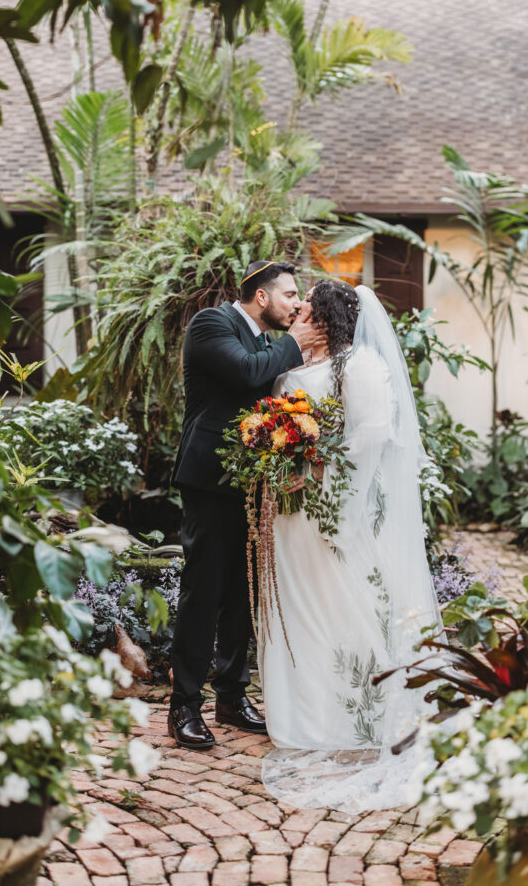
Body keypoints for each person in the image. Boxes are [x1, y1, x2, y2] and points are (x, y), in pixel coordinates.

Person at [259, 280, 442, 810]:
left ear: (328, 319)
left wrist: (317, 463)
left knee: (344, 602)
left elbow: (372, 434)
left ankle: (355, 714)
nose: (296, 315)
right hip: (292, 513)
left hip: (340, 504)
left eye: (307, 310)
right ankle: (303, 713)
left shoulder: (359, 366)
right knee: (301, 606)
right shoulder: (292, 368)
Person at [169, 260, 326, 750]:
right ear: (262, 297)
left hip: (254, 483)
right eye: (290, 295)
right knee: (204, 590)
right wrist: (297, 343)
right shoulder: (213, 323)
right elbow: (245, 373)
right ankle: (184, 706)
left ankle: (231, 697)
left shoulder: (266, 340)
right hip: (210, 478)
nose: (298, 304)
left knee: (243, 593)